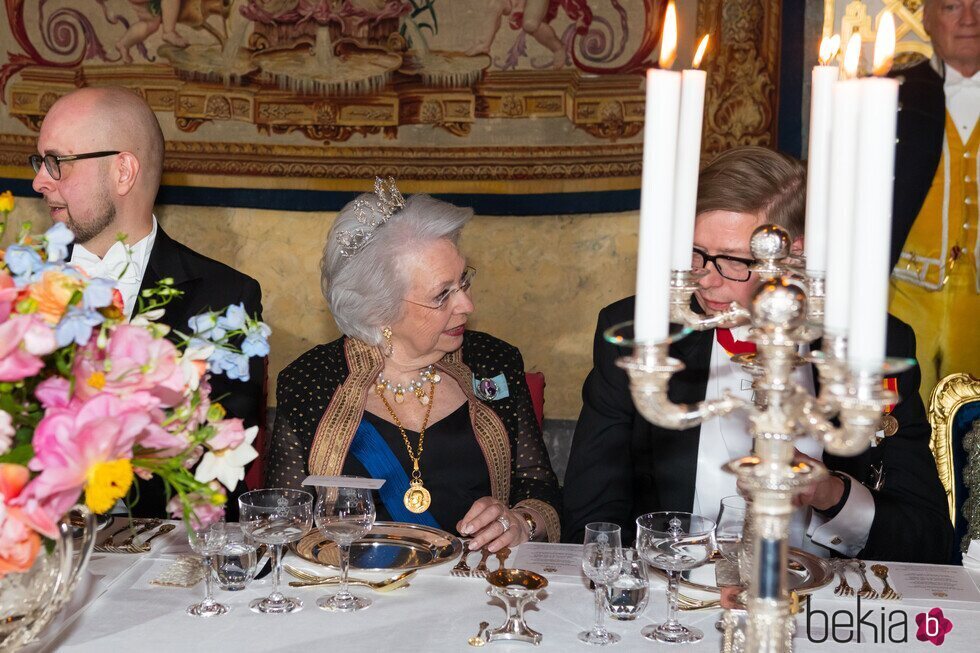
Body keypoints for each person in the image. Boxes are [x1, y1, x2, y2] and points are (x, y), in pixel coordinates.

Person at [562, 147, 952, 564]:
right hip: (673, 597)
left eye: (733, 261)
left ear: (794, 255)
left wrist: (828, 493)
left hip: (820, 606)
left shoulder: (869, 344)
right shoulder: (643, 333)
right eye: (694, 253)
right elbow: (591, 518)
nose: (705, 280)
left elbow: (929, 541)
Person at [266, 182, 561, 551]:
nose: (467, 305)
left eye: (464, 281)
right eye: (442, 295)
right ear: (379, 310)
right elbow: (282, 520)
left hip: (473, 590)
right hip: (358, 593)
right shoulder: (311, 381)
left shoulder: (493, 363)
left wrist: (522, 522)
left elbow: (539, 486)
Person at [29, 86, 264, 519]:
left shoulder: (226, 297)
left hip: (168, 563)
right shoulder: (19, 291)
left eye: (56, 162)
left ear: (123, 172)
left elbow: (216, 457)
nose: (40, 181)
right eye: (40, 162)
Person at [889, 0, 979, 404]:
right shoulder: (896, 93)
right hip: (906, 289)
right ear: (926, 19)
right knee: (904, 409)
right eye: (951, 7)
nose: (969, 20)